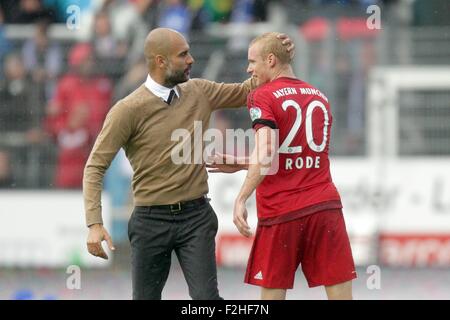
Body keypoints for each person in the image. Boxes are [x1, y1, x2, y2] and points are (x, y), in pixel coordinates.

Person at [83, 27, 294, 300]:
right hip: (149, 219)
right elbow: (95, 166)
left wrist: (276, 58)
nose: (191, 59)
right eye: (183, 55)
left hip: (196, 217)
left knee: (207, 301)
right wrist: (93, 224)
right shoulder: (127, 110)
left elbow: (247, 90)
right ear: (161, 61)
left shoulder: (199, 91)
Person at [207, 32, 357, 300]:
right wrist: (244, 163)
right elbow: (292, 154)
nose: (248, 69)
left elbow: (266, 151)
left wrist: (242, 197)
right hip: (325, 207)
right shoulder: (319, 96)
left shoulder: (261, 95)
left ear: (271, 60)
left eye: (252, 61)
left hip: (282, 212)